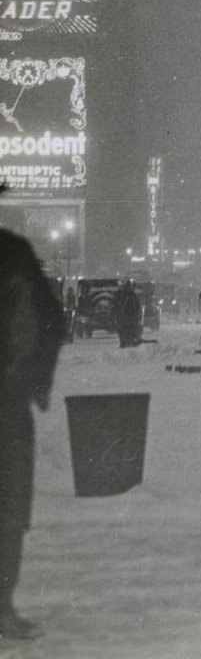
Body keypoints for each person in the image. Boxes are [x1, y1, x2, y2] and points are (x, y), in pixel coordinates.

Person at [0, 222, 64, 639]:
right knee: (7, 510)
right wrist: (30, 380)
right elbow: (52, 321)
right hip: (6, 403)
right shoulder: (15, 252)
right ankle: (2, 607)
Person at [114, 279, 142, 348]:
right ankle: (130, 341)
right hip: (130, 316)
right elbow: (137, 306)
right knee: (130, 329)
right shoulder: (131, 295)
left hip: (125, 316)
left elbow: (116, 304)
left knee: (123, 329)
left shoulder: (121, 294)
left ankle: (125, 342)